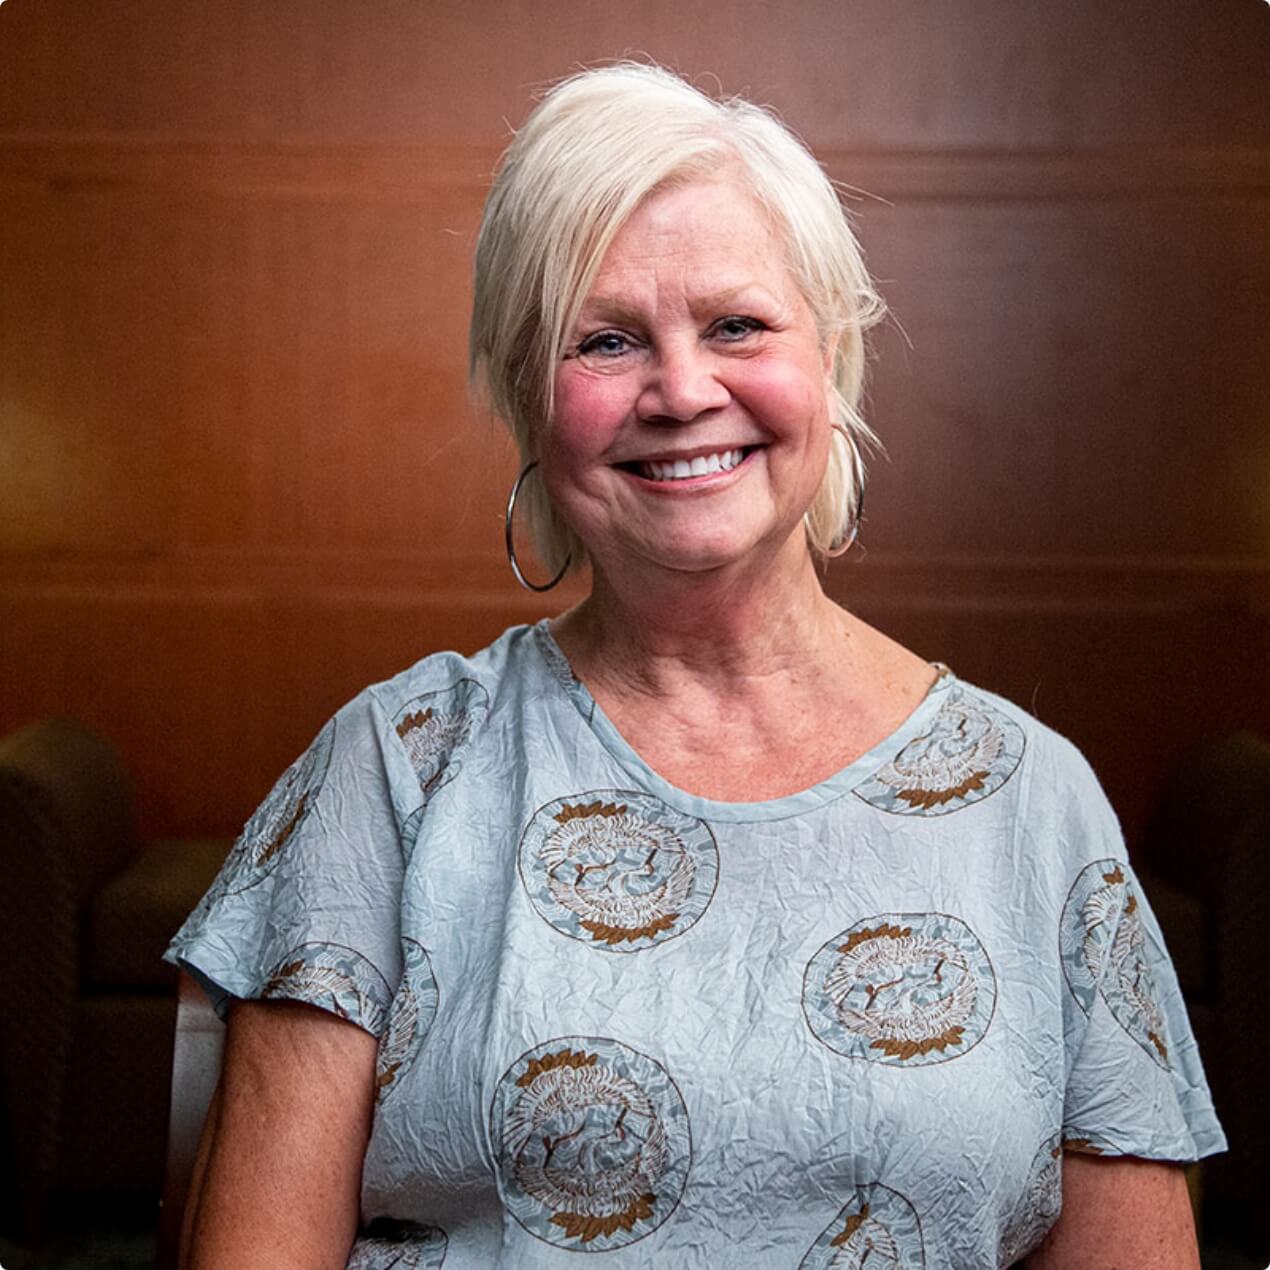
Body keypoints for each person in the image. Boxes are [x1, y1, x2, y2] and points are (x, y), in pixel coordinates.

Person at [167, 63, 1224, 1269]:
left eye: (737, 325)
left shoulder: (1033, 799)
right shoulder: (397, 768)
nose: (681, 390)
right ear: (529, 400)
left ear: (829, 358)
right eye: (605, 340)